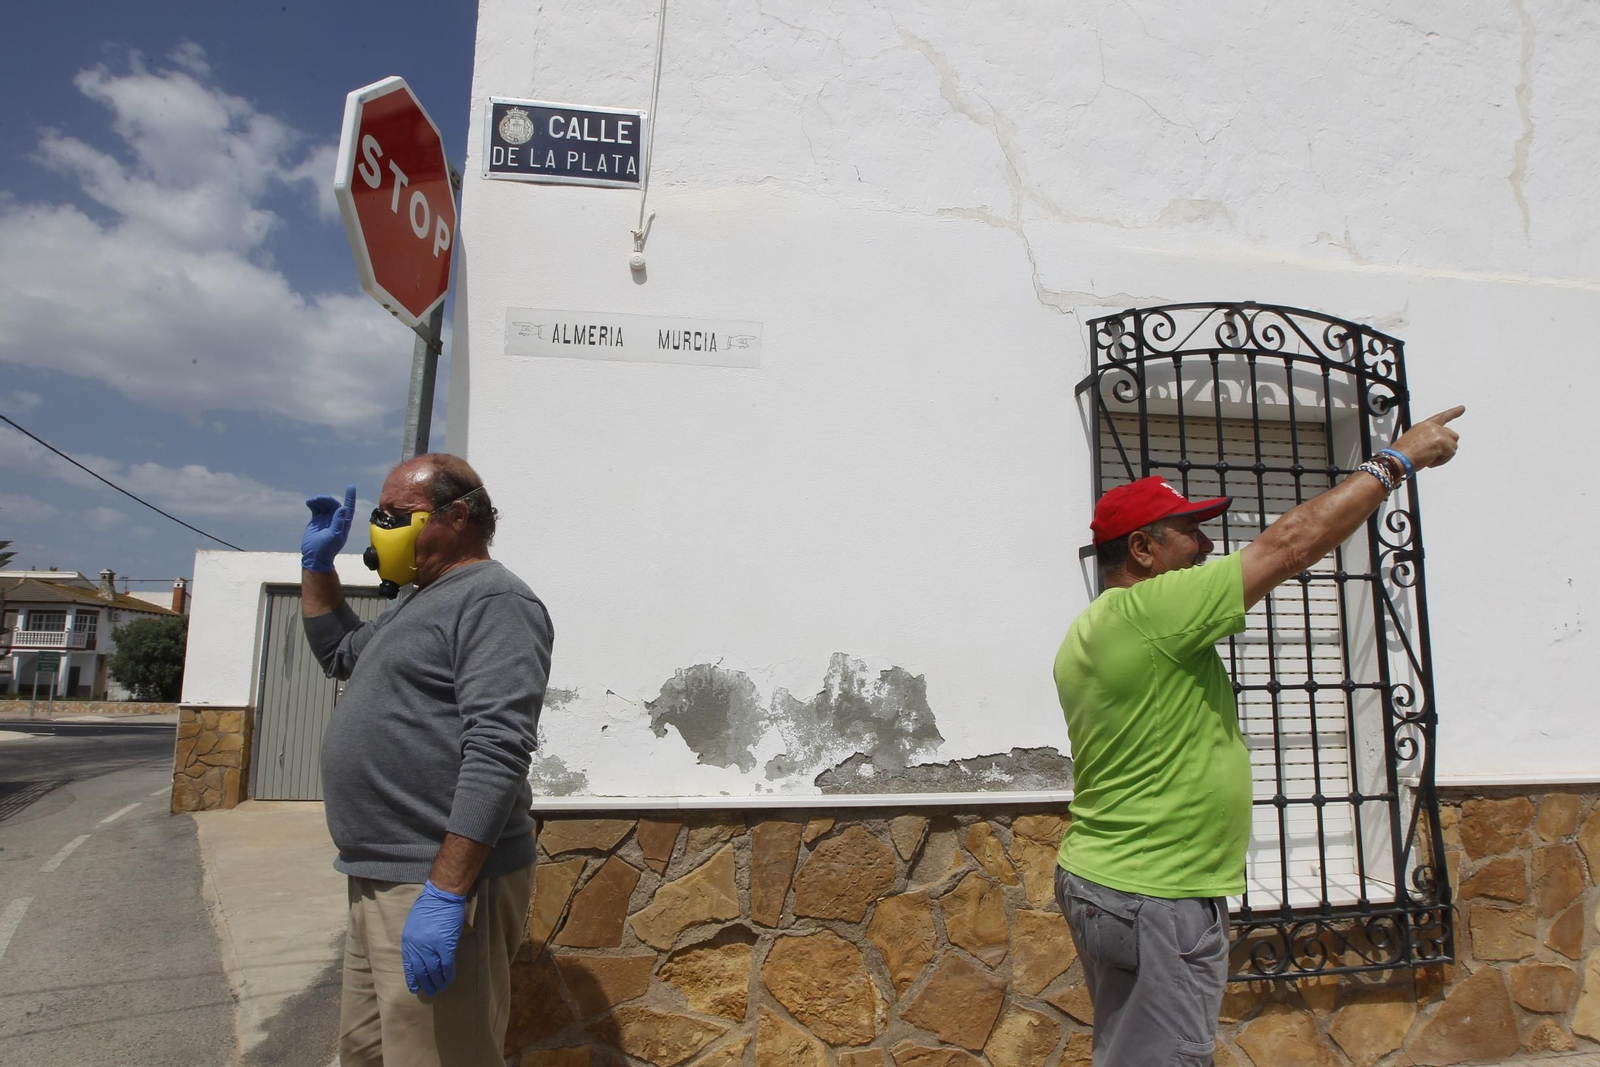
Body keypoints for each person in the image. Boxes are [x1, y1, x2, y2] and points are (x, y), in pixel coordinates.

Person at [1052, 407, 1464, 1066]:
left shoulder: (1095, 628)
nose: (1207, 545)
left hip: (1113, 884)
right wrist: (1394, 462)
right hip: (1157, 895)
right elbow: (1291, 543)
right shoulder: (1153, 610)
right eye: (1191, 532)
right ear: (1143, 549)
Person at [298, 453, 554, 1067]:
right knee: (371, 1054)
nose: (381, 529)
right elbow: (337, 651)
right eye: (379, 516)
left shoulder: (496, 601)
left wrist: (445, 891)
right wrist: (316, 567)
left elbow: (499, 746)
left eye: (396, 515)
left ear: (457, 516)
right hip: (379, 875)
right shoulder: (415, 605)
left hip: (435, 881)